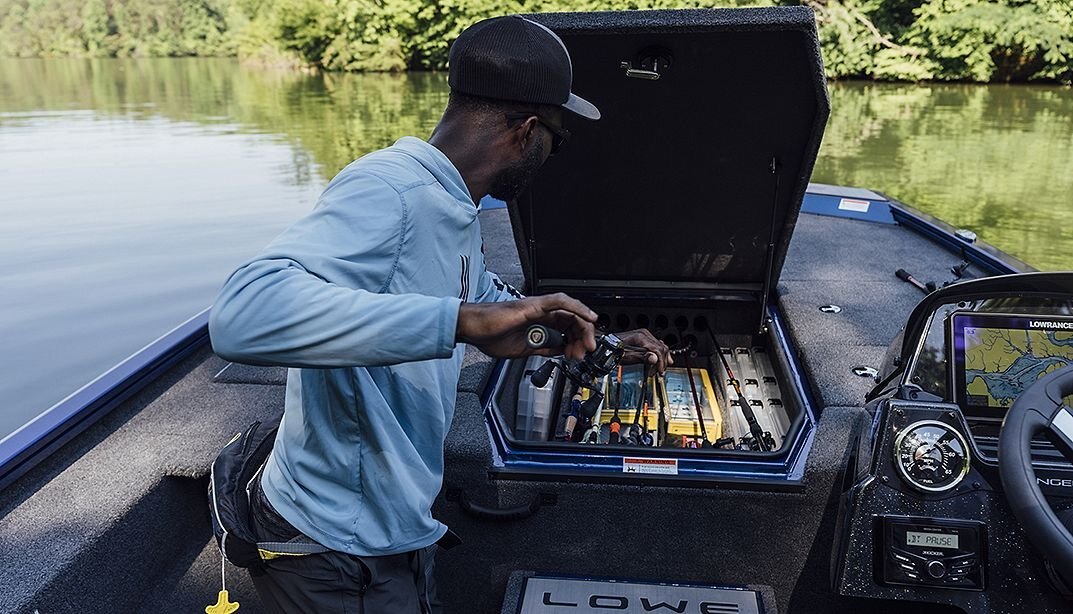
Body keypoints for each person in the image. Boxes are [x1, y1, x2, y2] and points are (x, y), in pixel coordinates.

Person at [208, 14, 672, 614]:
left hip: (397, 525)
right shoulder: (389, 192)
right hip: (336, 544)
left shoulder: (454, 203)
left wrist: (594, 341)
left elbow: (488, 304)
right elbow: (242, 313)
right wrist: (458, 323)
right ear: (526, 132)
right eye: (560, 138)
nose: (555, 153)